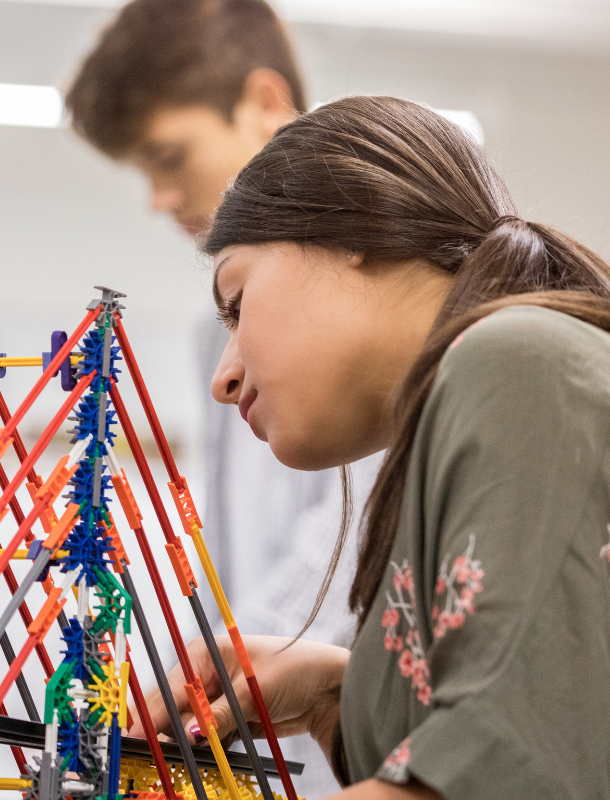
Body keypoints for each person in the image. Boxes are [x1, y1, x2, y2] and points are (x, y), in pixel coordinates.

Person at [151, 94, 610, 799]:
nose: (224, 375)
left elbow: (508, 765)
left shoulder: (519, 358)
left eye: (238, 305)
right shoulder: (453, 419)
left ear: (349, 226)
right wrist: (334, 695)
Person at [65, 2, 374, 792]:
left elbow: (347, 546)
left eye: (168, 156)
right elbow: (227, 543)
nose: (160, 197)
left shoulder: (379, 293)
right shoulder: (217, 336)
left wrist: (214, 679)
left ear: (265, 103)